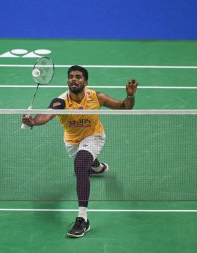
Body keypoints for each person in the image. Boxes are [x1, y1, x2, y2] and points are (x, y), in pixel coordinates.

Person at [22, 65, 138, 238]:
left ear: (86, 81)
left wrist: (130, 95)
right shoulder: (60, 101)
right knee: (85, 161)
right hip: (72, 142)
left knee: (79, 165)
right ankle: (96, 166)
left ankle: (82, 219)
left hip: (94, 136)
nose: (73, 79)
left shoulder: (97, 97)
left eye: (78, 77)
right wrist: (33, 122)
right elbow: (45, 116)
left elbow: (125, 107)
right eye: (70, 77)